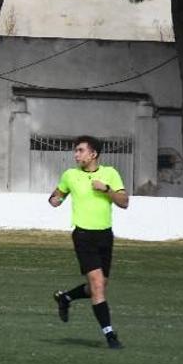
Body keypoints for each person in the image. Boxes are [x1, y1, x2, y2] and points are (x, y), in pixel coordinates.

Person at [49, 135, 129, 350]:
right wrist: (55, 199)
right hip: (83, 235)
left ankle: (65, 297)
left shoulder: (110, 174)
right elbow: (56, 196)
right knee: (97, 286)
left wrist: (106, 189)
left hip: (105, 235)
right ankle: (110, 335)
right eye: (76, 151)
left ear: (93, 154)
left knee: (100, 285)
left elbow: (124, 202)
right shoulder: (70, 175)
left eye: (80, 151)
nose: (76, 155)